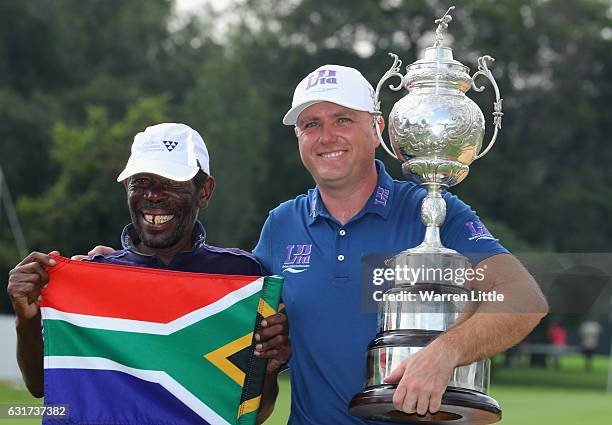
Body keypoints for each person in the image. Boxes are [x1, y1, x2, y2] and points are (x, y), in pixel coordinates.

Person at [252, 64, 549, 424]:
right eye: (310, 124)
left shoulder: (433, 211)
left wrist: (445, 352)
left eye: (342, 120)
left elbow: (524, 298)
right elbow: (257, 337)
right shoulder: (282, 224)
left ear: (376, 130)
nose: (326, 136)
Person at [7, 123, 289, 423]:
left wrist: (270, 366)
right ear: (126, 186)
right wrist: (26, 319)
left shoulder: (242, 277)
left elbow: (256, 413)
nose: (154, 195)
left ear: (204, 192)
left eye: (172, 182)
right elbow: (41, 386)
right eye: (142, 181)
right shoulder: (92, 276)